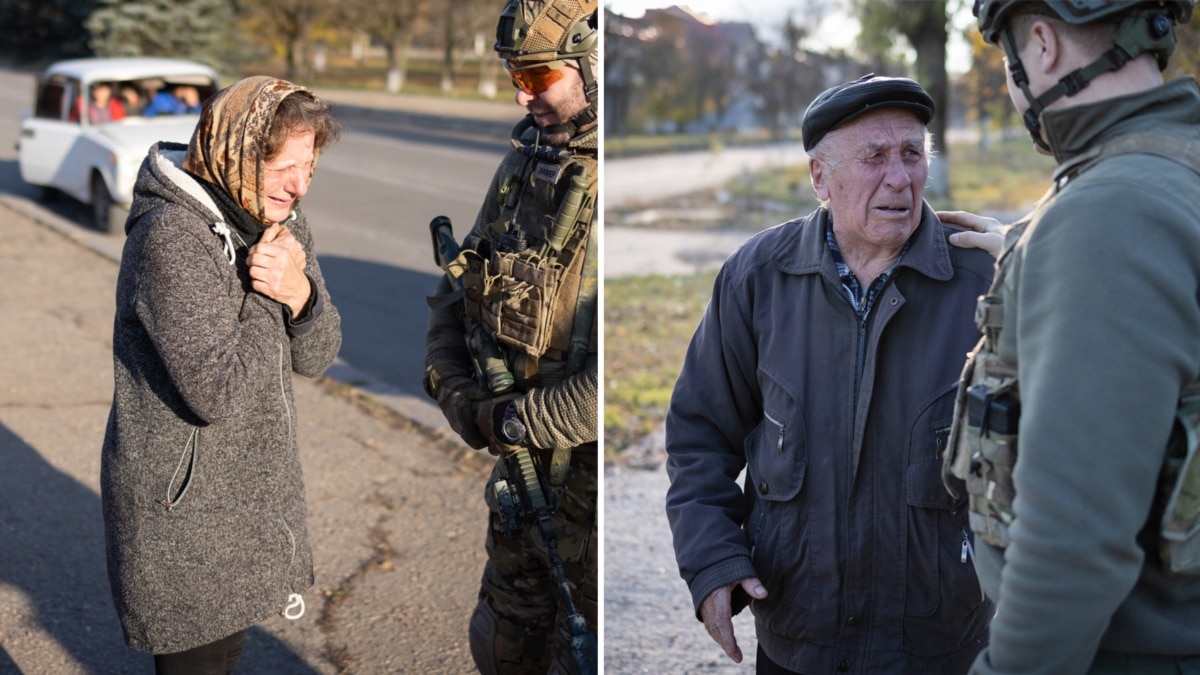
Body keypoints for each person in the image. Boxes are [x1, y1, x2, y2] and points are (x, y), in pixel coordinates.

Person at [664, 74, 996, 674]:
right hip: (799, 642)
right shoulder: (757, 278)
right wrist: (712, 562)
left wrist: (1036, 273)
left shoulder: (986, 283)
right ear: (820, 177)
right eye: (874, 158)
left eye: (912, 154)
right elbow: (699, 435)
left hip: (939, 647)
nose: (900, 177)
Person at [943, 1, 1200, 673]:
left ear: (1042, 44)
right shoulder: (1172, 175)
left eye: (1009, 63)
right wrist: (1033, 258)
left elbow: (1072, 545)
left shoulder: (1109, 218)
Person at [100, 76, 341, 674]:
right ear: (232, 152)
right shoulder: (170, 239)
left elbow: (318, 355)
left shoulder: (279, 224)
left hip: (245, 501)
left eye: (308, 166)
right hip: (183, 515)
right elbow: (218, 390)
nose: (298, 185)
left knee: (224, 658)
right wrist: (271, 295)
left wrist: (303, 296)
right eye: (282, 166)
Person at [422, 0, 598, 673]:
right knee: (504, 640)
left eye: (538, 76)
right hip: (520, 484)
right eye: (513, 77)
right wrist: (458, 396)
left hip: (584, 493)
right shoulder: (524, 166)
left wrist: (519, 418)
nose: (523, 95)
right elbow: (454, 291)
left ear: (593, 64)